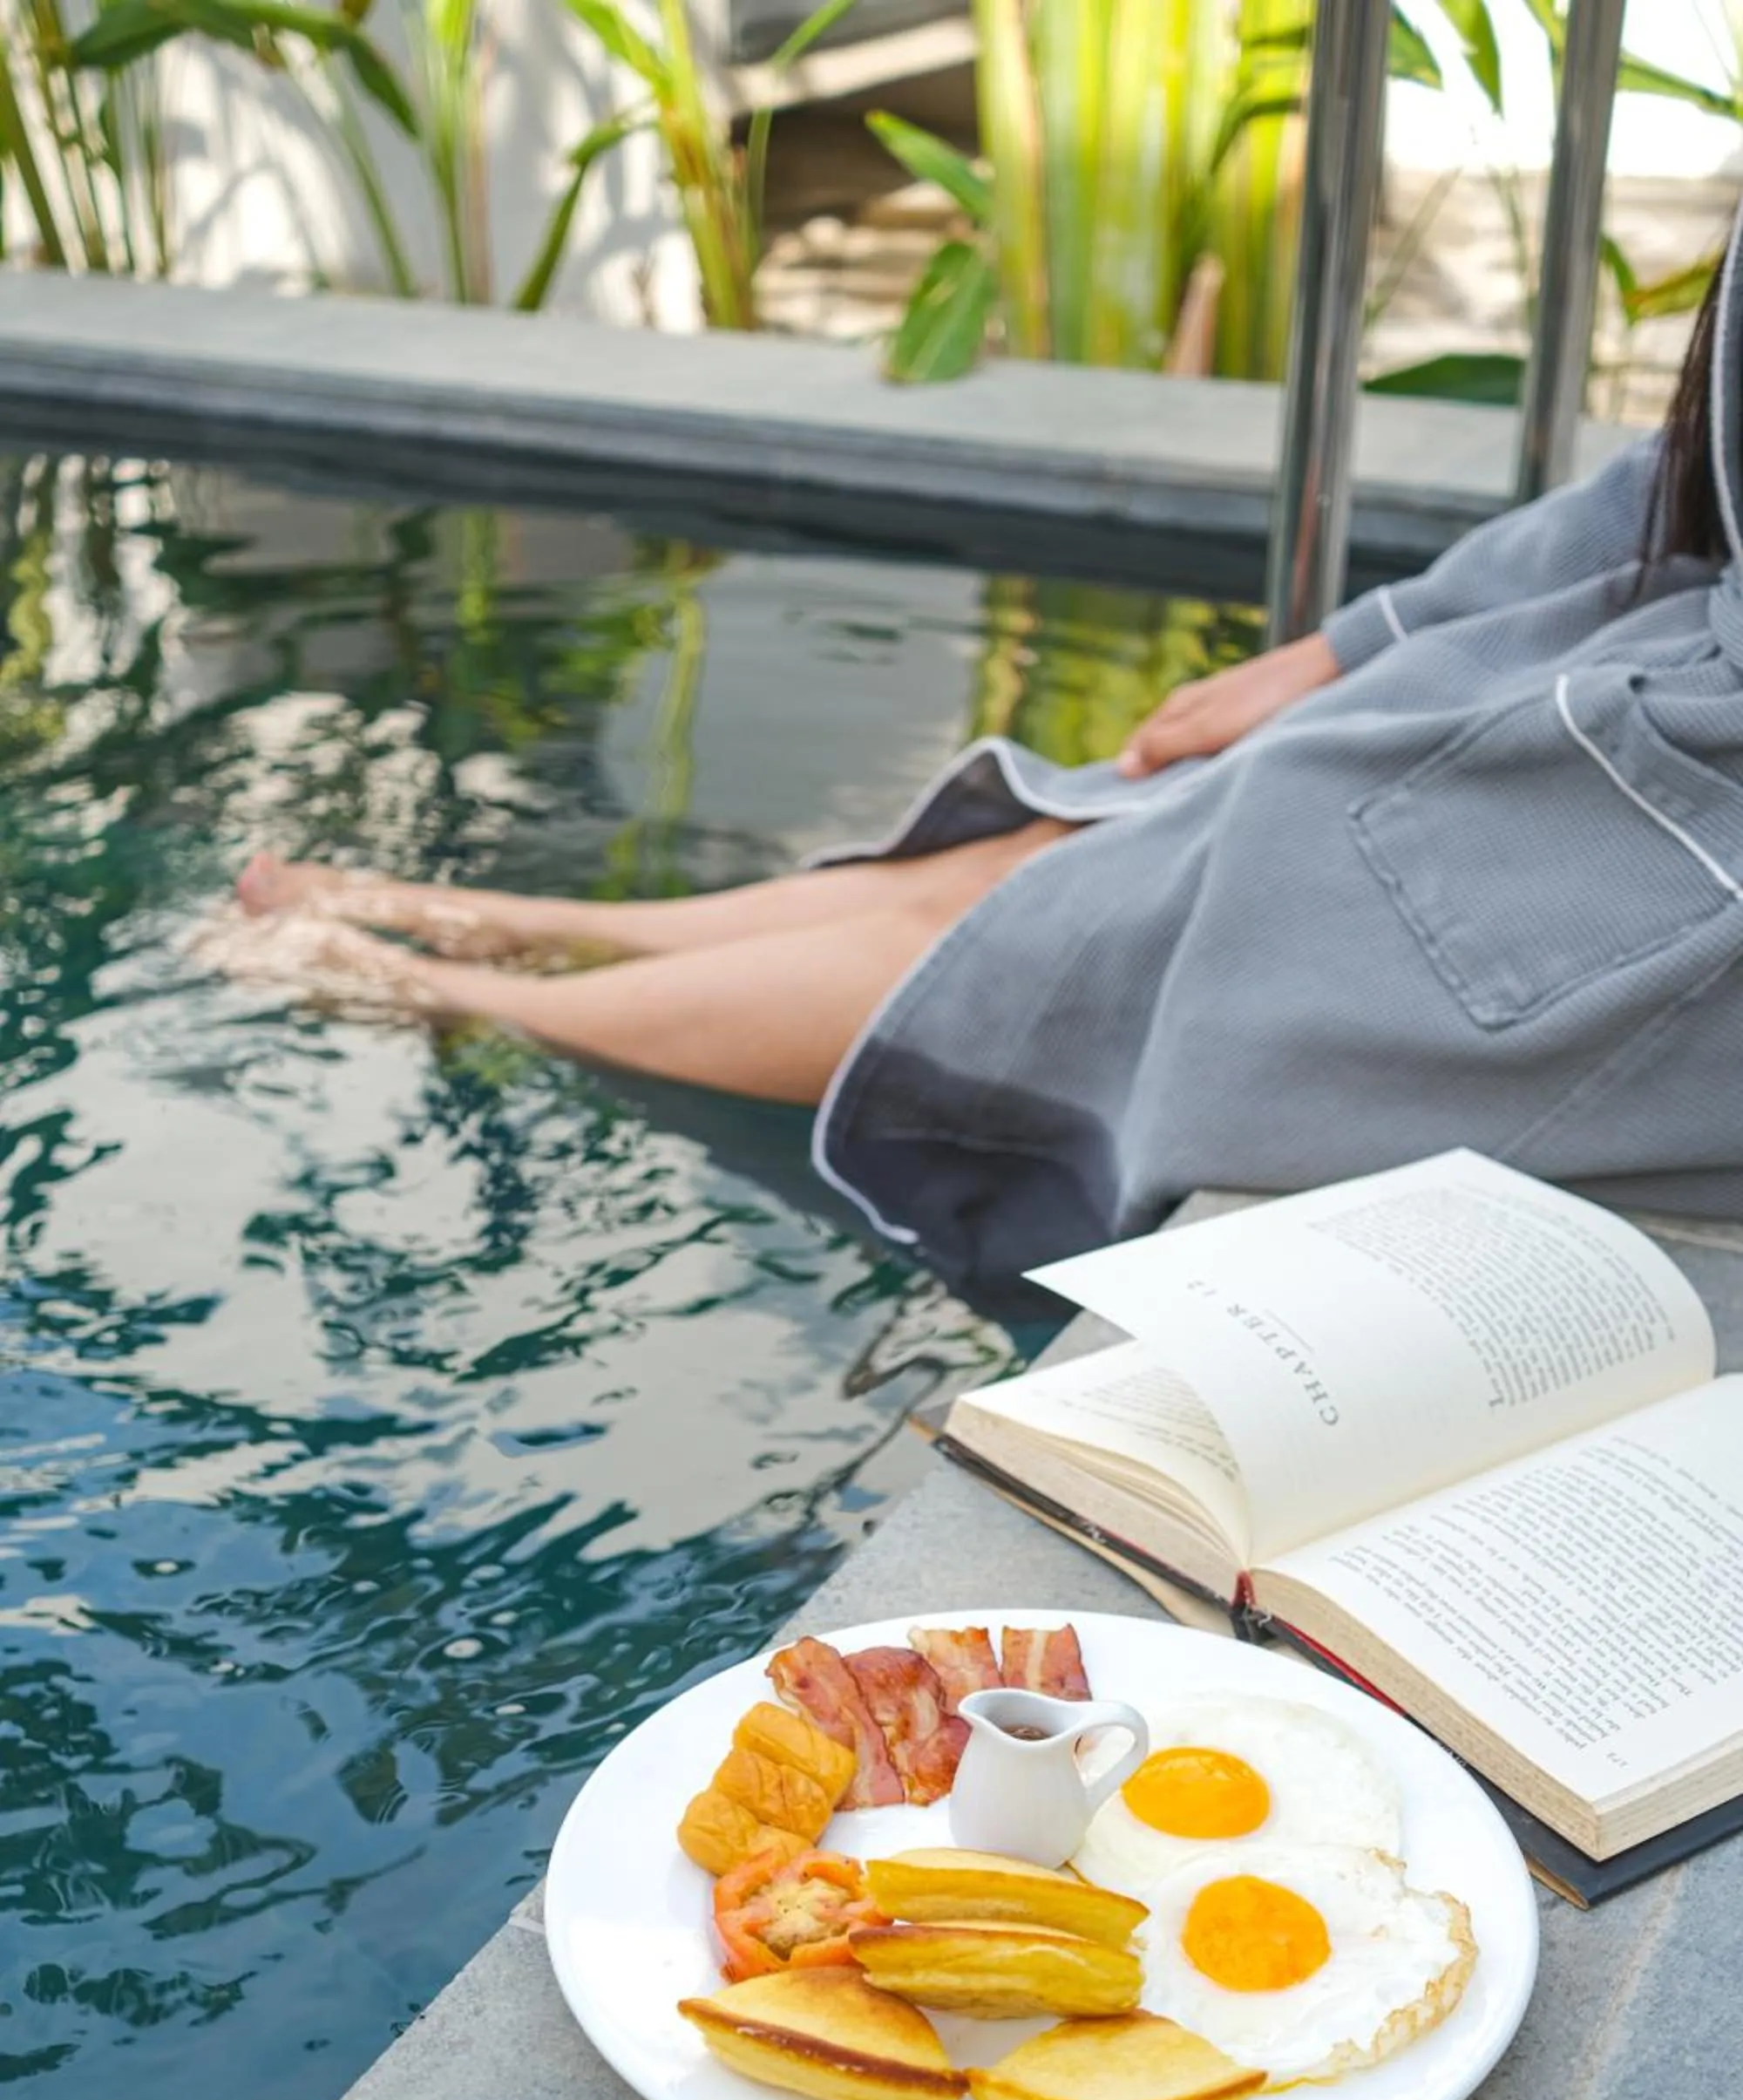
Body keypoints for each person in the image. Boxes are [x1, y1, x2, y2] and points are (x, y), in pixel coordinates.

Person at [229, 217, 1743, 1294]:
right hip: (1639, 677)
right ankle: (541, 931)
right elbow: (1669, 474)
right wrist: (1353, 645)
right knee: (1087, 844)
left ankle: (458, 987)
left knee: (1121, 925)